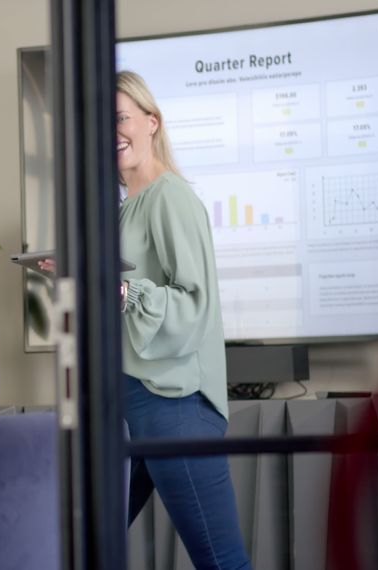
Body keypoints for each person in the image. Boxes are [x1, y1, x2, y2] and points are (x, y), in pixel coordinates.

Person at [117, 70, 252, 569]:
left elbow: (193, 303)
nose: (111, 132)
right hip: (137, 404)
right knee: (73, 544)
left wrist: (124, 290)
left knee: (222, 562)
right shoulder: (124, 209)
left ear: (152, 122)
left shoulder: (170, 196)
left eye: (121, 118)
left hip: (174, 403)